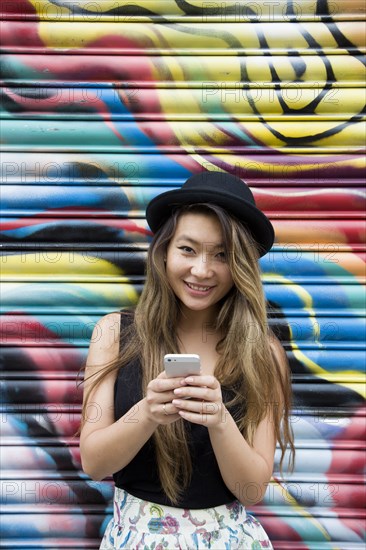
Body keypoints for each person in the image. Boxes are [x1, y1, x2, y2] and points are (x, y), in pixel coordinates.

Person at [79, 172, 295, 549]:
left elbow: (252, 489)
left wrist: (219, 420)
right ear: (164, 250)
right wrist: (146, 413)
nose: (201, 270)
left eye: (223, 255)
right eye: (188, 249)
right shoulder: (114, 333)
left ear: (241, 265)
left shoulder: (263, 351)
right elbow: (94, 464)